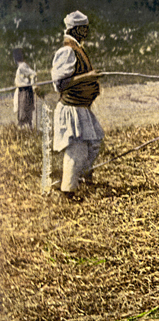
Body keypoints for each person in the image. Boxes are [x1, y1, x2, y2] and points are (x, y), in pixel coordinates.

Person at [51, 11, 104, 197]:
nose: (87, 32)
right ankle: (68, 191)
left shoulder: (78, 49)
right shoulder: (66, 51)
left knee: (95, 141)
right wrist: (88, 77)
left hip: (82, 108)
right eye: (84, 29)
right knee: (77, 149)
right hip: (71, 109)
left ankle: (81, 177)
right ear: (75, 29)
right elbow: (60, 84)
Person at [13, 48, 36, 129]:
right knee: (21, 112)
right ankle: (24, 130)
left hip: (25, 91)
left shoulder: (23, 66)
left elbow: (33, 73)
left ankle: (27, 130)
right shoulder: (20, 67)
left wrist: (32, 85)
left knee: (24, 113)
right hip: (21, 91)